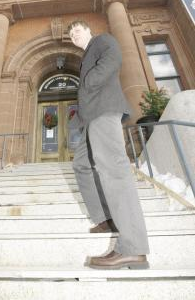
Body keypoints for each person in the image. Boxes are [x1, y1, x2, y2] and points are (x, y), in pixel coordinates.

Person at [68, 20, 149, 270]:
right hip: (91, 117)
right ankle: (105, 218)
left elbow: (113, 57)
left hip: (104, 110)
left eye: (77, 31)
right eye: (70, 35)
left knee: (113, 170)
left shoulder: (102, 40)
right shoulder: (86, 55)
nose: (74, 36)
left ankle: (133, 248)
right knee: (81, 164)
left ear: (89, 30)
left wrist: (88, 82)